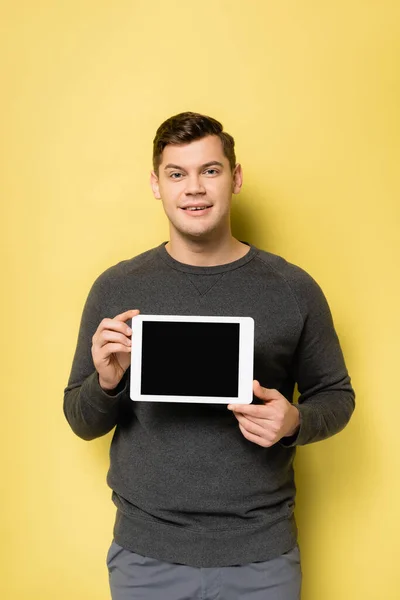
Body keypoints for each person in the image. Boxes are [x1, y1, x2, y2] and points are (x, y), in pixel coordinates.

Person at [64, 111, 355, 600]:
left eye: (210, 171)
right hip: (145, 556)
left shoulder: (293, 289)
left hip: (262, 556)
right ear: (157, 184)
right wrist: (107, 383)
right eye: (177, 174)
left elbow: (337, 396)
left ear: (235, 178)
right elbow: (80, 418)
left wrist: (294, 422)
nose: (193, 188)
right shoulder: (117, 287)